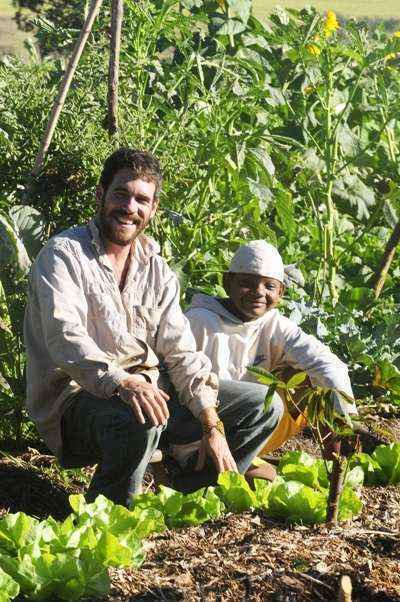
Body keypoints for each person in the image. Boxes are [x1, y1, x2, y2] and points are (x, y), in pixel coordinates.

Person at [24, 150, 283, 505]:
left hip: (148, 391)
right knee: (141, 417)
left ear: (153, 209)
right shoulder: (63, 256)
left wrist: (212, 423)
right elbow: (66, 340)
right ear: (100, 195)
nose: (130, 207)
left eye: (141, 200)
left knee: (263, 405)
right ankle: (110, 517)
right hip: (77, 401)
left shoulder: (156, 269)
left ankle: (190, 497)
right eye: (121, 194)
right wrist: (123, 382)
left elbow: (181, 352)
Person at [184, 240, 357, 460]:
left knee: (305, 382)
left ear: (281, 292)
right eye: (247, 283)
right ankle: (209, 459)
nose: (258, 293)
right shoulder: (199, 321)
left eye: (269, 286)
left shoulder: (273, 324)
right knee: (266, 400)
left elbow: (325, 363)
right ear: (227, 283)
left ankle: (249, 454)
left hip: (250, 425)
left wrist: (345, 420)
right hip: (199, 427)